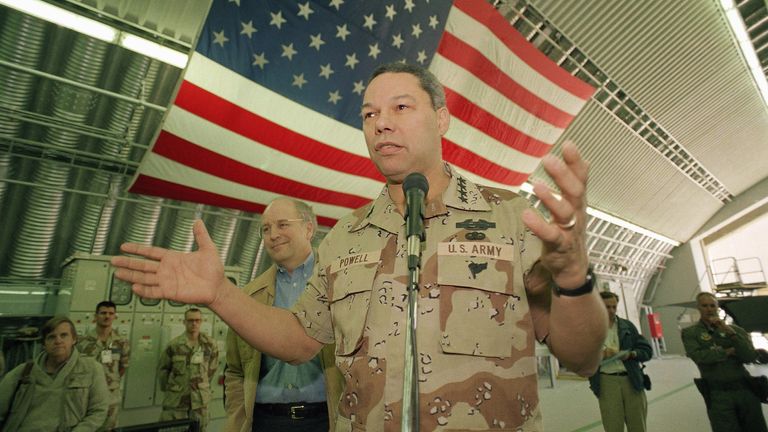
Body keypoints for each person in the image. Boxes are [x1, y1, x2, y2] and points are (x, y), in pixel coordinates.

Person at [112, 62, 607, 431]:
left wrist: (573, 279)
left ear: (442, 119)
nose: (380, 123)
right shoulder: (345, 236)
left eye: (400, 108)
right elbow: (300, 337)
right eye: (369, 113)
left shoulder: (509, 218)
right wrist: (221, 293)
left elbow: (582, 357)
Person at [224, 197, 344, 432]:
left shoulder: (340, 283)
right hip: (265, 422)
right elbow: (235, 369)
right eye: (266, 229)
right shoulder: (249, 296)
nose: (273, 235)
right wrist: (237, 419)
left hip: (327, 420)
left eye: (282, 224)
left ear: (308, 228)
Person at [0, 316, 108, 431]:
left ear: (74, 339)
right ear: (44, 344)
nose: (58, 341)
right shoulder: (23, 373)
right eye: (51, 337)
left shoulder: (91, 369)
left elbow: (98, 411)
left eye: (64, 335)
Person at [682, 291, 767, 432]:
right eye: (704, 306)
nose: (709, 309)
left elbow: (749, 356)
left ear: (717, 307)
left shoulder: (736, 331)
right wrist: (728, 351)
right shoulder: (691, 333)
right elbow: (699, 357)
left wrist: (729, 332)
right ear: (698, 307)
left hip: (745, 390)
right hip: (718, 394)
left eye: (712, 305)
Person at [588, 291, 652, 432]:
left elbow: (647, 350)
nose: (611, 310)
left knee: (638, 425)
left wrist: (630, 354)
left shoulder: (627, 327)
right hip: (606, 382)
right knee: (613, 426)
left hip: (632, 380)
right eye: (607, 307)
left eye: (614, 307)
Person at [158, 308, 219, 432]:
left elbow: (212, 369)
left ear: (201, 322)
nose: (194, 323)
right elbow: (163, 370)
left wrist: (201, 385)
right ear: (184, 322)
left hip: (199, 402)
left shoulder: (210, 345)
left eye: (197, 320)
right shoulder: (174, 345)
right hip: (177, 401)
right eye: (190, 320)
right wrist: (172, 389)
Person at [77, 300, 131, 431]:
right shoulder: (82, 342)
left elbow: (123, 367)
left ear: (114, 316)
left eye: (110, 313)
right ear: (95, 316)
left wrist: (110, 380)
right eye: (103, 313)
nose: (107, 316)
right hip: (87, 395)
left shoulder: (121, 343)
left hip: (110, 396)